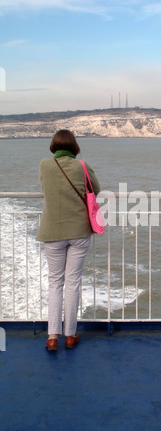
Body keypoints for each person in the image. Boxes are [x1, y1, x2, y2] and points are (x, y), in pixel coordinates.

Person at [37, 130, 100, 352]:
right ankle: (71, 335)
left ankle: (52, 336)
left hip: (52, 231)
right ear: (74, 147)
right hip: (79, 231)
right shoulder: (82, 166)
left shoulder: (44, 165)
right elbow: (96, 190)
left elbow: (46, 188)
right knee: (72, 282)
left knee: (55, 282)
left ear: (54, 146)